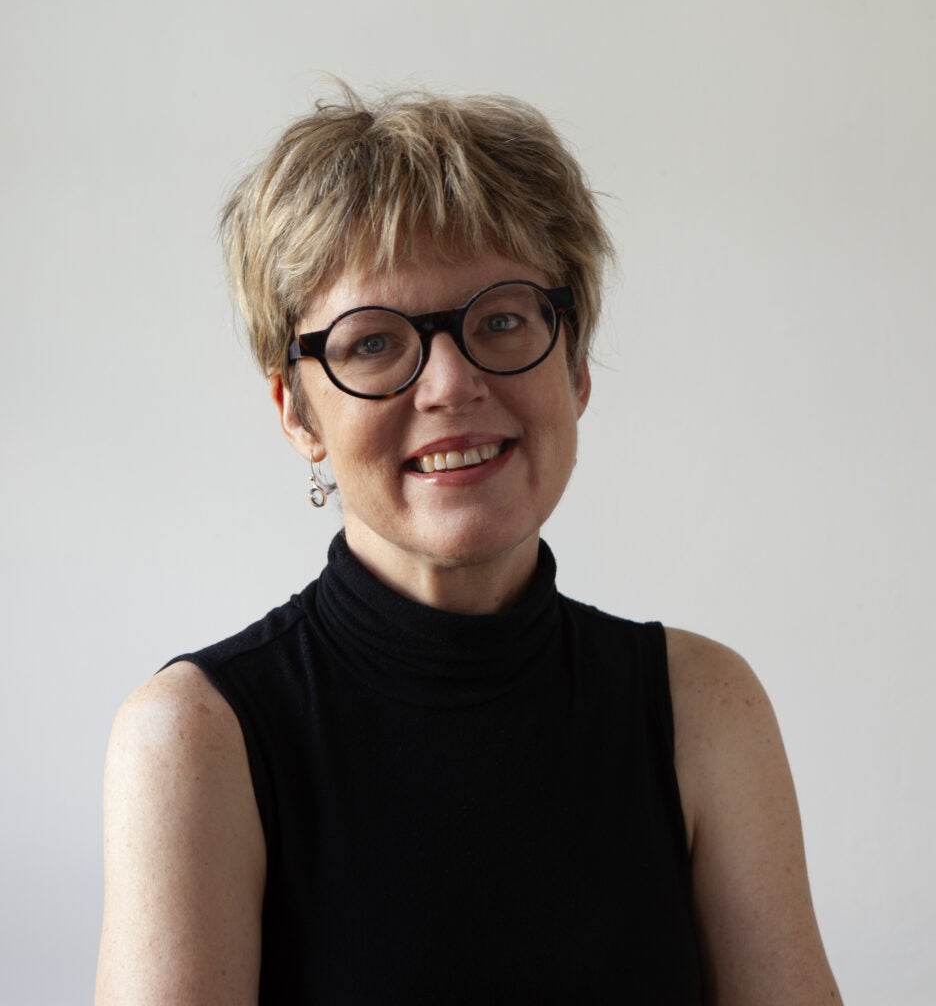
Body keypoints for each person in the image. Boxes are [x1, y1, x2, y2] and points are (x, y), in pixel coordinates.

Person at [95, 85, 842, 1005]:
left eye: (500, 320)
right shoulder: (194, 739)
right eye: (373, 343)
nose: (451, 384)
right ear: (297, 411)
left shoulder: (706, 708)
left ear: (574, 367)